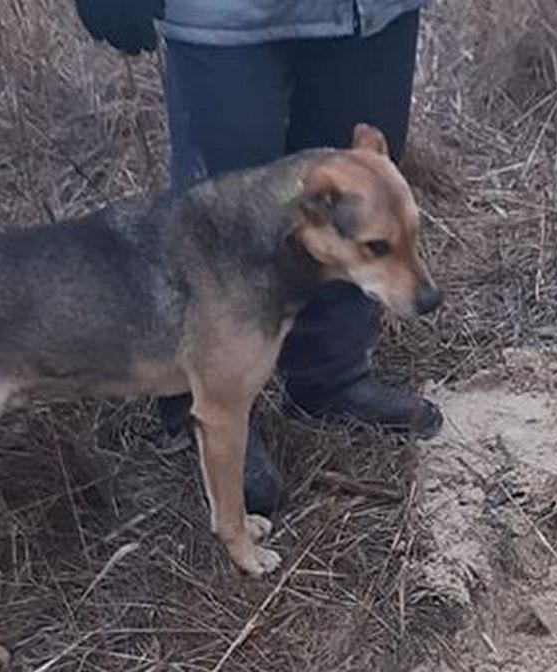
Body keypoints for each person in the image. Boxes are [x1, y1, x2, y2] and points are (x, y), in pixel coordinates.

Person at [74, 0, 442, 516]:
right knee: (222, 222)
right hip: (226, 18)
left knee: (360, 197)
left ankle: (330, 373)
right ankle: (197, 398)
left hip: (370, 15)